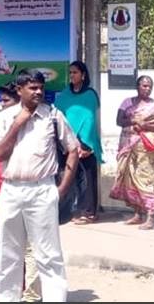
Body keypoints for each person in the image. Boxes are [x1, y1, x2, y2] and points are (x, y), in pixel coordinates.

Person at [0, 70, 78, 302]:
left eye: (41, 87)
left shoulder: (53, 115)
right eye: (32, 87)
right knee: (8, 252)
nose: (39, 91)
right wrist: (18, 123)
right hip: (11, 189)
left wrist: (62, 189)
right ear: (19, 90)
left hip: (43, 190)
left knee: (48, 254)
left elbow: (72, 149)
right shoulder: (5, 117)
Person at [0, 83, 41, 302]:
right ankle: (7, 293)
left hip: (24, 192)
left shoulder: (31, 126)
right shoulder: (4, 124)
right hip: (1, 193)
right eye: (1, 101)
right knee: (6, 246)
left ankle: (30, 295)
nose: (2, 105)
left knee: (28, 248)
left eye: (6, 101)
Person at [110, 75, 154, 230]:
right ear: (137, 86)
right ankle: (137, 214)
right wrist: (135, 121)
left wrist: (145, 126)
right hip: (127, 146)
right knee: (129, 178)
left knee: (148, 179)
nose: (147, 89)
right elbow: (119, 121)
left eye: (149, 86)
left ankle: (150, 217)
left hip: (146, 150)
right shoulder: (127, 103)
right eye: (144, 86)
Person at [54, 60, 104, 224]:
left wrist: (84, 144)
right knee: (67, 176)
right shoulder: (64, 95)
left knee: (88, 179)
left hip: (85, 144)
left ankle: (89, 212)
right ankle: (67, 210)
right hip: (66, 143)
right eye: (70, 72)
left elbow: (89, 120)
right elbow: (58, 117)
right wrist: (66, 142)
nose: (72, 75)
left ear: (83, 75)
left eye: (75, 72)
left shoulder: (90, 95)